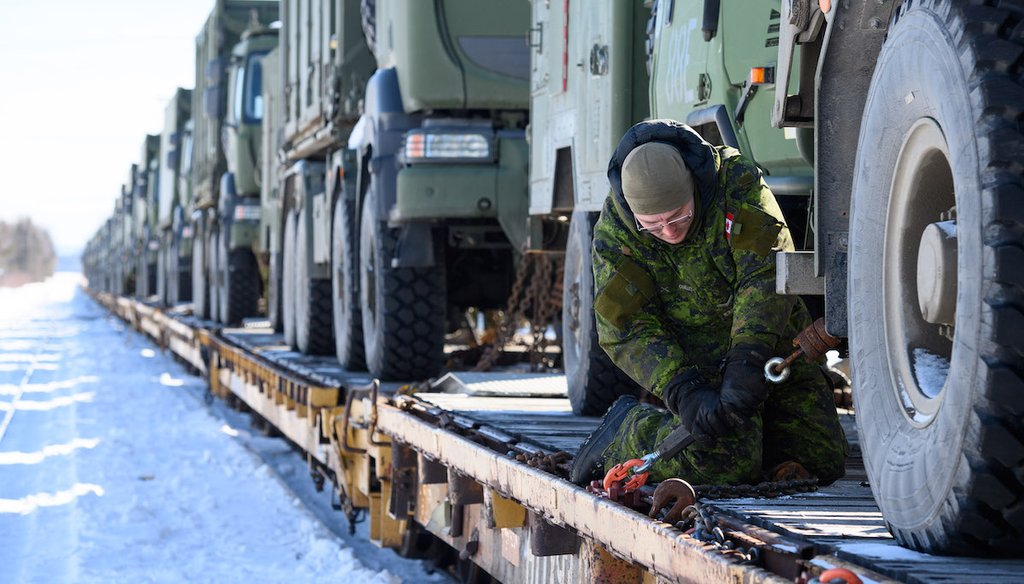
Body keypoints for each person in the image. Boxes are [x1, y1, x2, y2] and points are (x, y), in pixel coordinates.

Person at [570, 119, 847, 487]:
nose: (669, 232)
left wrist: (749, 357)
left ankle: (758, 438)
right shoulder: (616, 233)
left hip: (764, 348)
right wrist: (681, 388)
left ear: (694, 188)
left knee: (821, 458)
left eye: (678, 216)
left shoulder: (737, 184)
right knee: (722, 464)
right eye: (653, 225)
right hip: (692, 366)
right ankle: (626, 432)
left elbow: (764, 275)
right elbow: (623, 325)